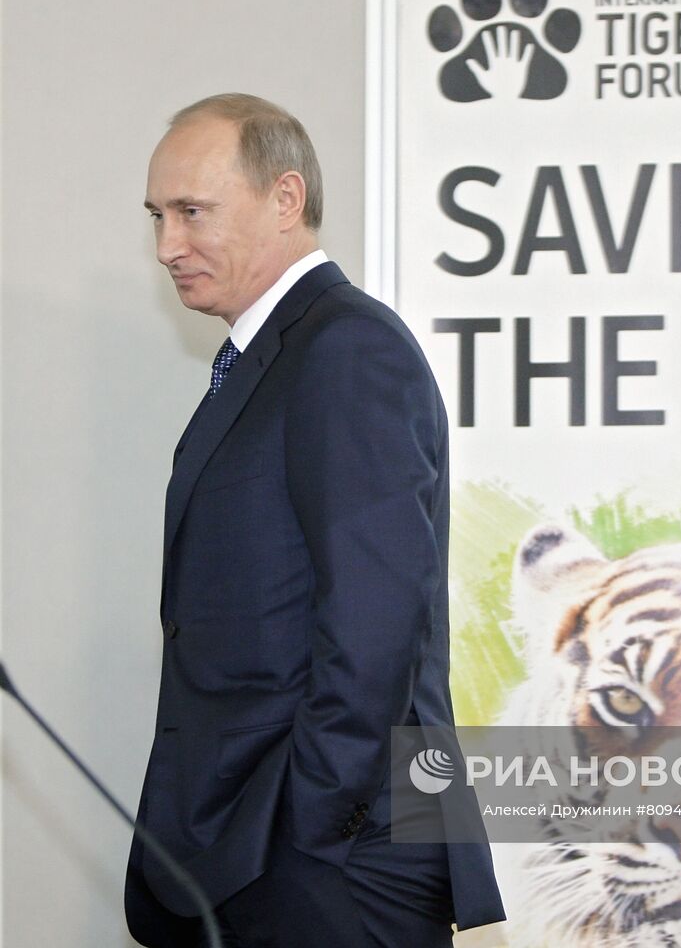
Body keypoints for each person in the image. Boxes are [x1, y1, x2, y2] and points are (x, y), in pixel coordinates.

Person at [124, 94, 504, 947]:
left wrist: (312, 823)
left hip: (331, 861)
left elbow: (377, 623)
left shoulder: (345, 349)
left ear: (285, 199)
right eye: (157, 216)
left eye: (191, 212)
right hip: (256, 851)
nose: (167, 246)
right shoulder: (270, 358)